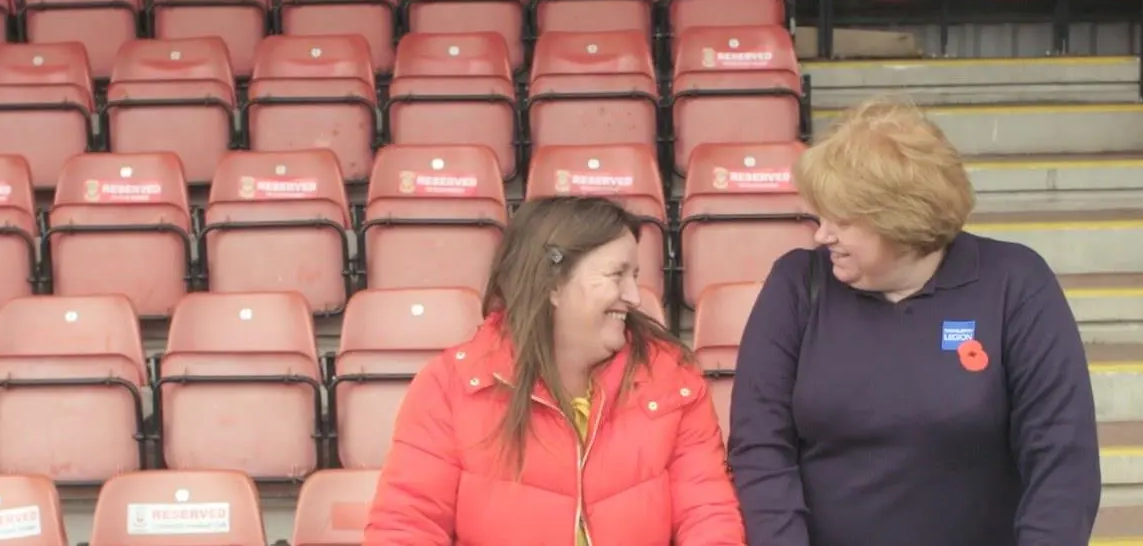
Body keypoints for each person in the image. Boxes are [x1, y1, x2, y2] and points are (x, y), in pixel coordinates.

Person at [728, 99, 1103, 546]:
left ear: (901, 222)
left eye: (842, 221)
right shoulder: (796, 283)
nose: (822, 235)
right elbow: (760, 446)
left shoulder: (1015, 282)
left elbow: (1063, 458)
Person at [364, 196, 747, 545]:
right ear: (553, 285)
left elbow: (709, 519)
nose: (633, 296)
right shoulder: (449, 387)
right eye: (617, 275)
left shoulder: (674, 381)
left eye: (634, 276)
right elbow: (406, 527)